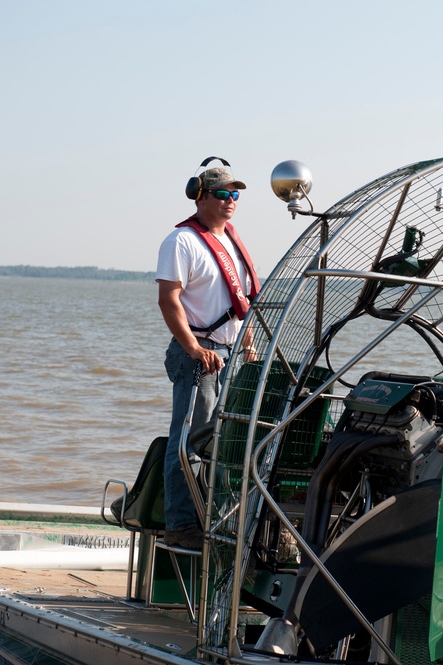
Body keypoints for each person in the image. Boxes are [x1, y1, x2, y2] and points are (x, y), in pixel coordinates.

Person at [155, 163, 259, 550]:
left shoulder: (231, 241)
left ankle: (217, 520)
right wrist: (193, 348)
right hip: (199, 355)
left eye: (236, 195)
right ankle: (181, 525)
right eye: (222, 194)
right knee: (188, 443)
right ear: (199, 194)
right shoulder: (181, 241)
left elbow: (241, 303)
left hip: (232, 354)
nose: (231, 201)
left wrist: (247, 344)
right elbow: (169, 300)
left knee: (225, 444)